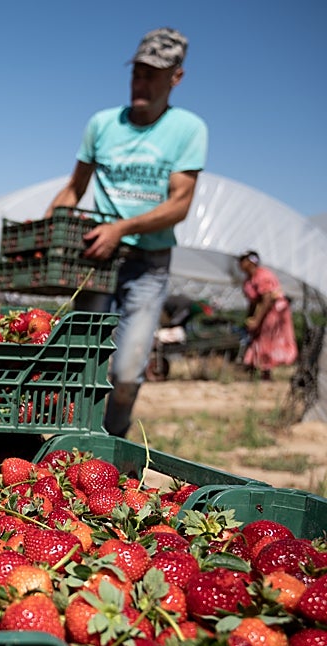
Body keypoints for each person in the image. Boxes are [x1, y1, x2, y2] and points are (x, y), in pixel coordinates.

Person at [46, 27, 208, 437]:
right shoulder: (103, 124)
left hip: (148, 264)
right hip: (96, 260)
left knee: (126, 372)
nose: (141, 82)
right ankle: (68, 445)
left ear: (176, 77)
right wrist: (47, 232)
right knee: (78, 362)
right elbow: (74, 188)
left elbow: (180, 205)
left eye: (152, 74)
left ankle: (111, 443)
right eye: (137, 72)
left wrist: (121, 228)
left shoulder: (188, 129)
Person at [238, 251, 297, 379]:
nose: (240, 263)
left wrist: (257, 320)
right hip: (263, 311)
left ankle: (265, 371)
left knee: (266, 338)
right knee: (257, 337)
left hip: (275, 312)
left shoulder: (263, 276)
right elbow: (253, 302)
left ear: (251, 262)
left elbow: (267, 299)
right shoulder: (249, 279)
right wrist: (250, 318)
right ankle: (254, 369)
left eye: (243, 260)